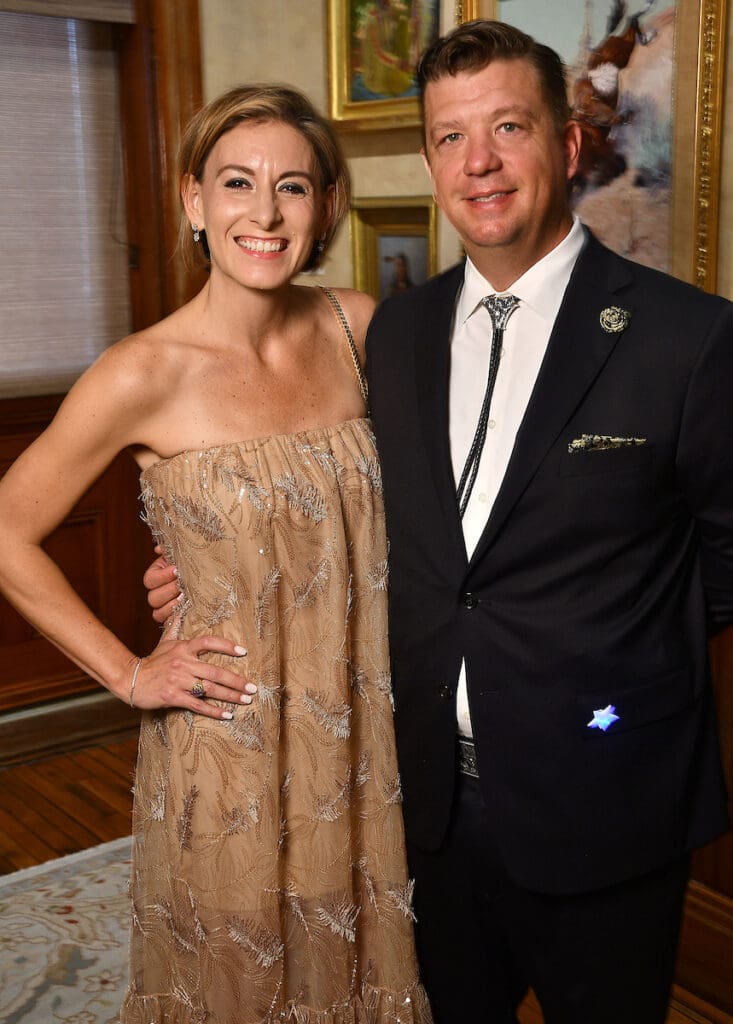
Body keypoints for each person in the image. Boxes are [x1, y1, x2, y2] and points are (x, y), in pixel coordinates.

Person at [144, 20, 733, 1024]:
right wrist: (211, 569)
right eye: (452, 136)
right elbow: (342, 505)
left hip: (604, 799)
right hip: (415, 802)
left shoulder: (688, 338)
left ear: (568, 143)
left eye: (509, 127)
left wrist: (606, 658)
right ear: (427, 156)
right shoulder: (394, 329)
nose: (480, 163)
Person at [0, 85, 432, 1024]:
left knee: (353, 970)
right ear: (195, 200)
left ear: (325, 205)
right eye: (238, 183)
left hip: (362, 733)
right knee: (239, 985)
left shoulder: (360, 328)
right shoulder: (141, 372)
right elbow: (6, 532)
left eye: (293, 186)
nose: (265, 213)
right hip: (228, 737)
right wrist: (126, 672)